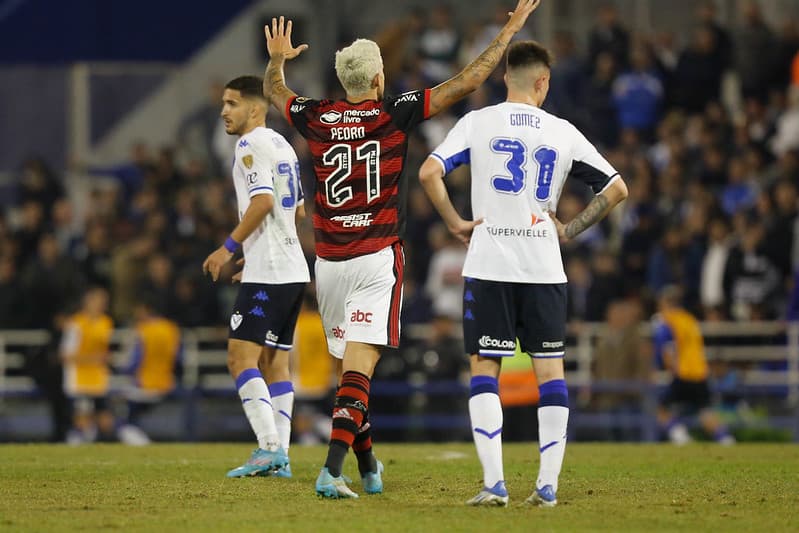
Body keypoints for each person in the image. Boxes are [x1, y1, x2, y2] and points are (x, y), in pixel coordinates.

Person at [263, 0, 542, 499]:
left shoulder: (316, 116)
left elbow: (275, 91)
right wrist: (508, 32)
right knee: (358, 373)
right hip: (374, 259)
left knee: (353, 372)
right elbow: (468, 81)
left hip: (326, 264)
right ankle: (331, 471)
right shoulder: (394, 112)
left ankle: (367, 467)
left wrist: (278, 59)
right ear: (376, 81)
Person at [418, 40, 628, 506]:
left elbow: (429, 173)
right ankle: (547, 486)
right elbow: (616, 188)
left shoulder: (477, 122)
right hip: (544, 267)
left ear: (504, 77)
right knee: (550, 373)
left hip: (489, 264)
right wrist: (569, 228)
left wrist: (455, 223)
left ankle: (494, 484)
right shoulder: (562, 131)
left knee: (484, 370)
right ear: (543, 82)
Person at [202, 75, 310, 477]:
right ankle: (280, 455)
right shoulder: (283, 143)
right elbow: (297, 212)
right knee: (275, 363)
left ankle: (268, 448)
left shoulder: (248, 145)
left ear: (254, 107)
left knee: (239, 357)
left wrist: (228, 248)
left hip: (271, 272)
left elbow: (263, 201)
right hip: (293, 267)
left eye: (231, 104)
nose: (223, 111)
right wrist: (258, 250)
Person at [653, 285, 734, 445]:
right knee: (705, 413)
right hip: (700, 373)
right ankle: (726, 439)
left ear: (665, 303)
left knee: (661, 409)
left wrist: (672, 372)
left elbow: (669, 350)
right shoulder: (689, 320)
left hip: (683, 373)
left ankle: (681, 438)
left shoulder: (667, 321)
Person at [117, 299, 183, 446]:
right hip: (167, 383)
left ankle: (141, 443)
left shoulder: (142, 330)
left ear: (145, 310)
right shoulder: (171, 328)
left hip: (144, 385)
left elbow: (132, 363)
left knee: (119, 409)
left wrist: (117, 366)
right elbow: (178, 359)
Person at [60, 287, 115, 444]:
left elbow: (104, 351)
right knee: (82, 421)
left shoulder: (106, 322)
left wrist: (106, 359)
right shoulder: (75, 324)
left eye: (104, 302)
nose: (102, 305)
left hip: (99, 380)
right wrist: (94, 359)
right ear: (87, 302)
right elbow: (65, 355)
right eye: (98, 301)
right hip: (79, 380)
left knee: (105, 421)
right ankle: (72, 448)